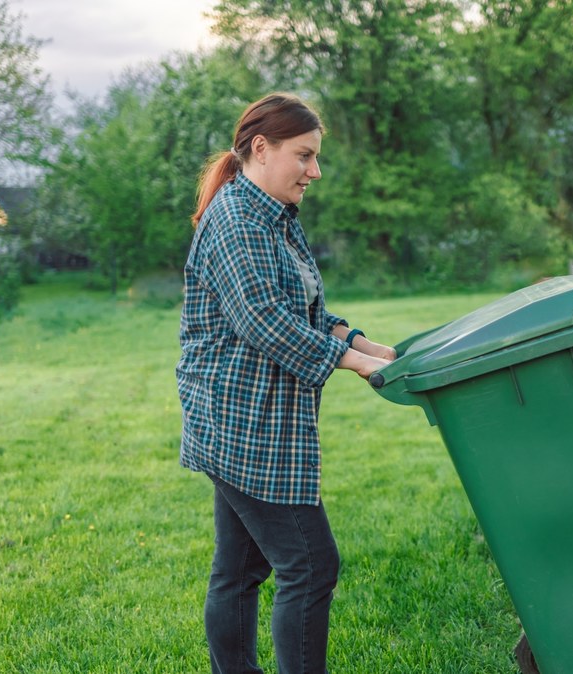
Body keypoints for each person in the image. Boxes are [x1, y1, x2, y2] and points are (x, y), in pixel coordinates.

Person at [176, 92, 395, 674]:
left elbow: (304, 309)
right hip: (242, 425)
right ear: (261, 148)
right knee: (311, 565)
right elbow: (264, 322)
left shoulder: (273, 217)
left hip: (254, 421)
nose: (314, 172)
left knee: (240, 569)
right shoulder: (237, 222)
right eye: (305, 156)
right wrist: (356, 366)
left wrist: (367, 345)